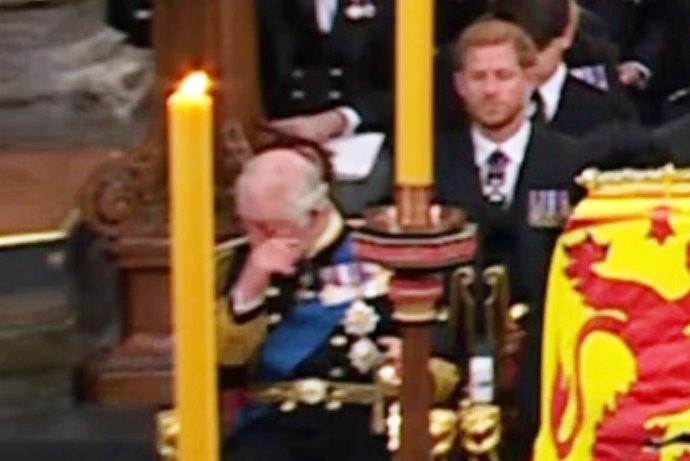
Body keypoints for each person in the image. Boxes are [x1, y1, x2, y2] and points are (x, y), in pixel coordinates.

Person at [219, 143, 459, 460]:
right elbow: (217, 366)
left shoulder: (386, 255)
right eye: (246, 224)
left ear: (315, 214)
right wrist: (249, 288)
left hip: (361, 430)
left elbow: (447, 370)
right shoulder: (235, 265)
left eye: (268, 228)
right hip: (268, 432)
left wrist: (414, 367)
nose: (255, 239)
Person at [434, 17, 602, 460]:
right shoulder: (431, 164)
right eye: (479, 77)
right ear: (459, 85)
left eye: (504, 75)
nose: (491, 90)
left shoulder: (571, 162)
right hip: (453, 360)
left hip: (546, 360)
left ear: (530, 79)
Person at [493, 0, 639, 137]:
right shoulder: (478, 99)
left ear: (567, 35)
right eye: (518, 49)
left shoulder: (608, 110)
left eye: (540, 47)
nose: (528, 60)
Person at [255, 0, 393, 143]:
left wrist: (339, 119)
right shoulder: (260, 8)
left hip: (367, 134)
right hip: (284, 141)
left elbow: (407, 88)